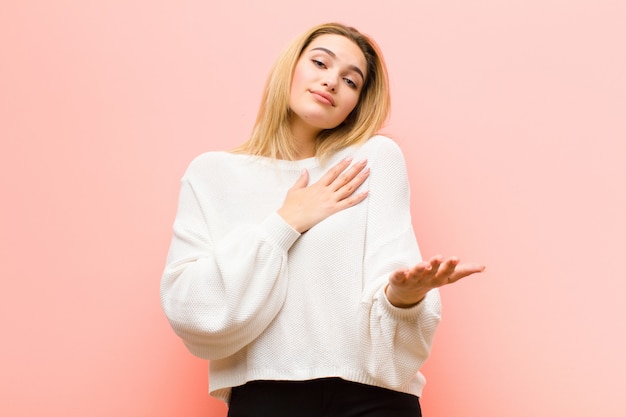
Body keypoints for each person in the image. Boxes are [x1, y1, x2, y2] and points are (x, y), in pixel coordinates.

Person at [160, 22, 485, 417]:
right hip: (264, 398)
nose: (332, 82)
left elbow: (392, 277)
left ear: (357, 103)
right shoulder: (212, 174)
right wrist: (285, 222)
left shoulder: (372, 160)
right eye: (320, 63)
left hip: (374, 398)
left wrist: (403, 298)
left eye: (351, 81)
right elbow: (191, 309)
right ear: (291, 67)